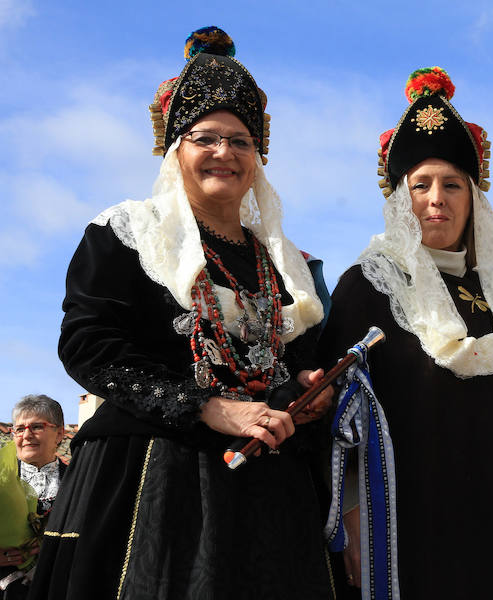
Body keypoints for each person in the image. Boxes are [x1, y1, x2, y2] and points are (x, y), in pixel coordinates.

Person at [27, 27, 334, 599]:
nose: (225, 153)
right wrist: (207, 408)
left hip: (265, 478)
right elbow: (88, 345)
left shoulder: (279, 261)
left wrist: (303, 388)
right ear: (176, 149)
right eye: (206, 137)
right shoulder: (126, 233)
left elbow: (283, 360)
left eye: (241, 141)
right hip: (153, 476)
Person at [319, 67, 493, 599]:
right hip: (404, 518)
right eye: (420, 185)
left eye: (452, 185)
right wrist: (349, 510)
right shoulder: (367, 286)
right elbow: (335, 413)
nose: (436, 199)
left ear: (473, 198)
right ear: (401, 198)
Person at [0, 396, 66, 599]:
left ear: (60, 433)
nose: (26, 435)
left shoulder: (76, 481)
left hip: (55, 586)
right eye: (19, 429)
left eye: (37, 426)